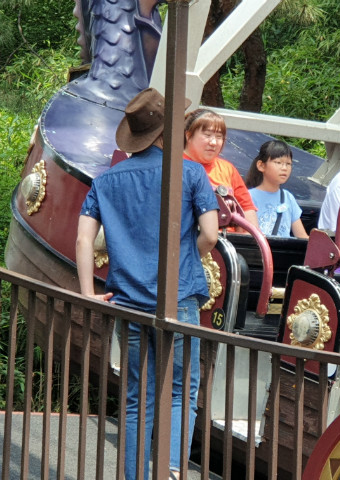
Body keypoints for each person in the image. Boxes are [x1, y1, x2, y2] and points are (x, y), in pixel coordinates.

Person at [76, 88, 220, 480]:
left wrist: (88, 292)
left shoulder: (106, 180)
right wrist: (186, 257)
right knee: (180, 391)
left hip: (128, 301)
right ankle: (170, 471)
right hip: (179, 298)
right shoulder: (190, 173)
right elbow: (210, 234)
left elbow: (84, 239)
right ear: (167, 131)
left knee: (136, 397)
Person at [183, 108, 260, 229]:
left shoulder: (227, 169)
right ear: (188, 135)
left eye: (219, 137)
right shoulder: (174, 166)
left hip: (228, 238)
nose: (213, 142)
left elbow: (247, 210)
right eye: (207, 135)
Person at [245, 140, 309, 238]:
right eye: (278, 162)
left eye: (288, 164)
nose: (284, 168)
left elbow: (302, 236)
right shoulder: (247, 196)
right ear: (261, 165)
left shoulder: (288, 197)